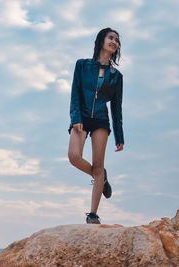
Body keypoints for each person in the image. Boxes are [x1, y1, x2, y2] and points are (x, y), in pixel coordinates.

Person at [68, 27, 124, 224]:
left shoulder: (116, 76)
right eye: (111, 38)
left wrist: (120, 137)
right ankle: (101, 178)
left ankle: (93, 214)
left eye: (117, 40)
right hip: (81, 115)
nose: (114, 42)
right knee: (74, 157)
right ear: (101, 40)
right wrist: (76, 117)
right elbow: (75, 92)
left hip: (101, 119)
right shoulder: (82, 65)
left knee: (98, 164)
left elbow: (117, 107)